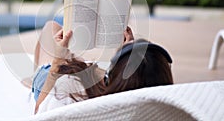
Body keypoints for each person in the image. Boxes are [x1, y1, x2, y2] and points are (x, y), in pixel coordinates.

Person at [32, 21, 173, 114]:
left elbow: (39, 114)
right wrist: (126, 54)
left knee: (51, 27)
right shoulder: (161, 110)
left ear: (110, 76)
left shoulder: (69, 92)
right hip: (88, 77)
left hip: (52, 79)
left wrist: (57, 61)